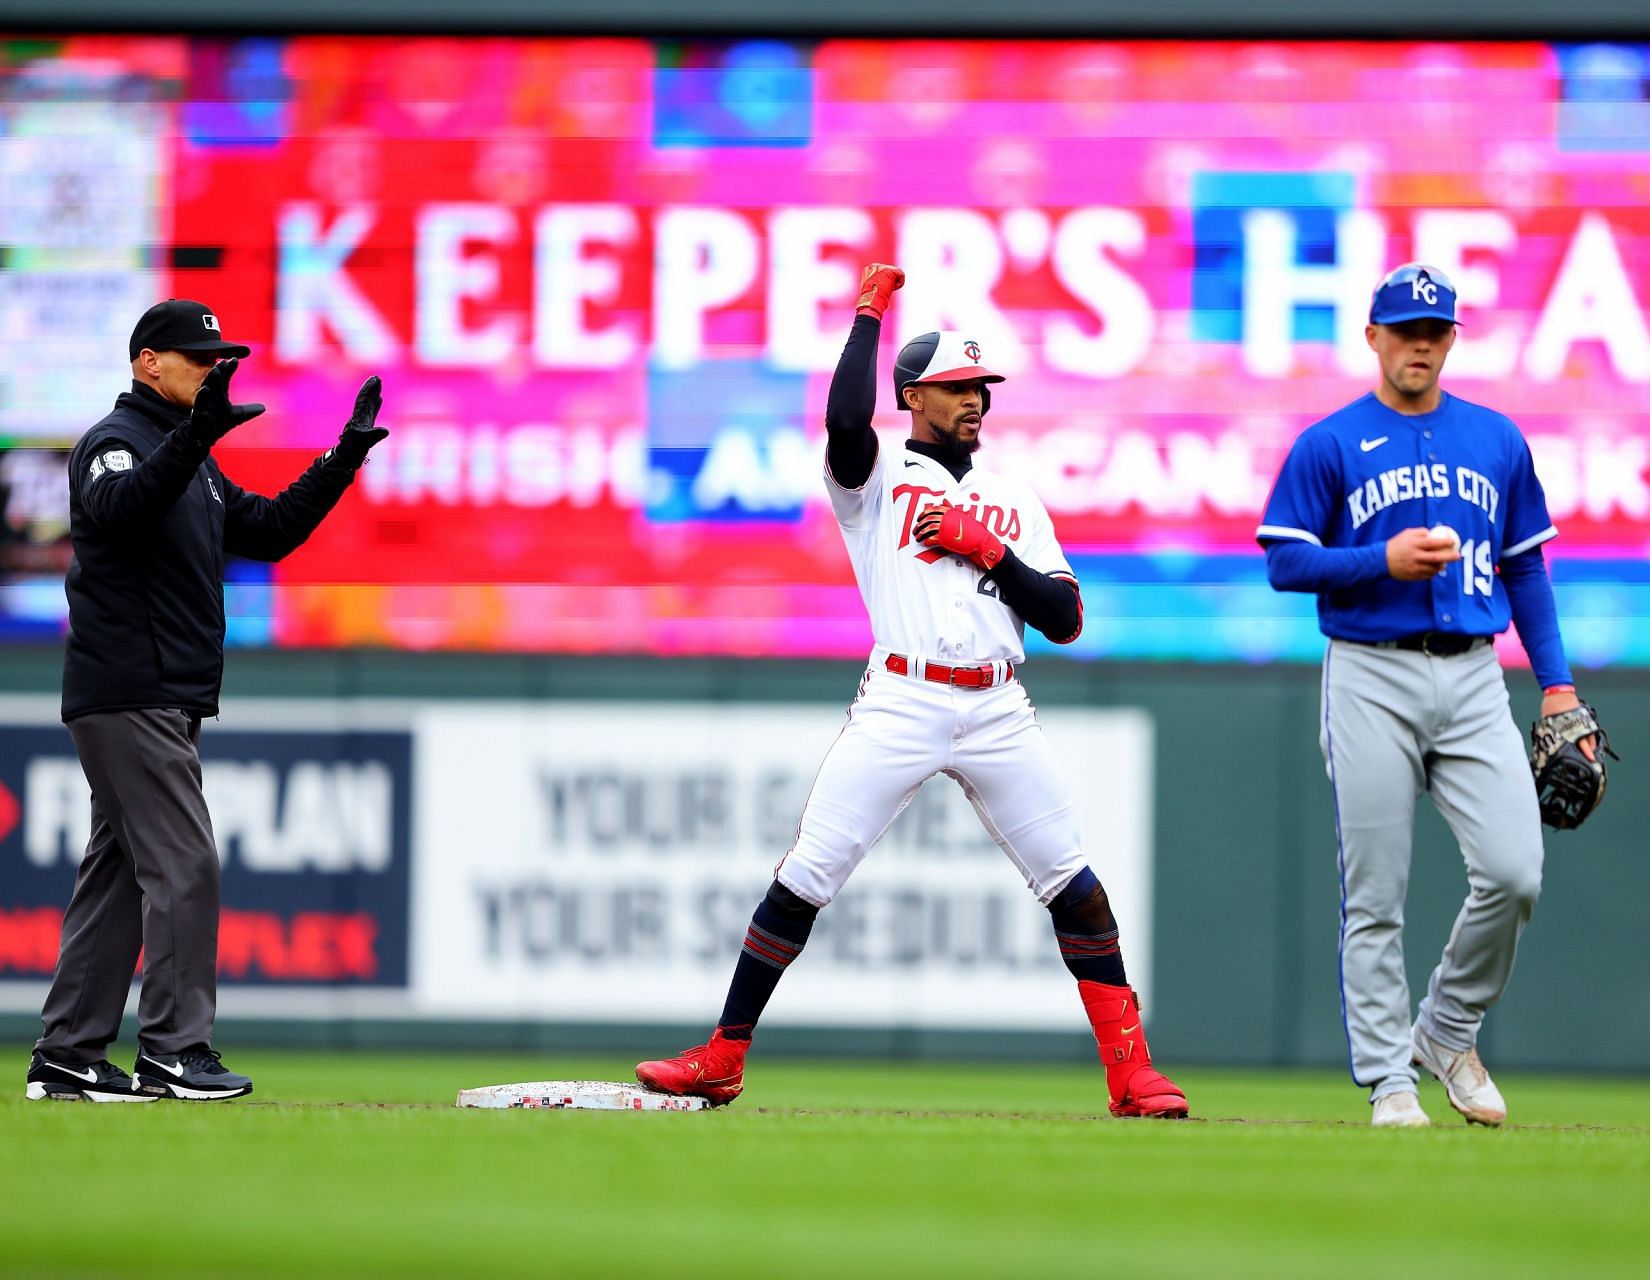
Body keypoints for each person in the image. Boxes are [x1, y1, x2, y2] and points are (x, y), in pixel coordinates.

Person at [635, 265, 1187, 1119]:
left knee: (1073, 882)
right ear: (915, 396)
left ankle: (1131, 1074)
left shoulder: (1013, 499)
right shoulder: (876, 479)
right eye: (957, 387)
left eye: (981, 387)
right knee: (808, 873)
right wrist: (867, 314)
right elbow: (844, 419)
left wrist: (991, 551)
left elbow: (1068, 617)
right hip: (903, 696)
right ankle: (723, 1056)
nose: (976, 400)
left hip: (999, 705)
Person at [1256, 264, 1598, 1128]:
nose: (1419, 342)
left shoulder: (1495, 439)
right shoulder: (1330, 443)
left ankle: (1446, 1027)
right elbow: (1286, 560)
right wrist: (1381, 560)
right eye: (1404, 327)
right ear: (1371, 336)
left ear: (1452, 339)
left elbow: (1526, 567)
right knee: (1377, 894)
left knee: (1516, 871)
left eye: (1434, 329)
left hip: (1477, 674)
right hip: (1371, 670)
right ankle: (1390, 1082)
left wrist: (1556, 687)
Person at [26, 299, 389, 1102]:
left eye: (219, 358)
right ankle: (174, 1052)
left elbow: (267, 530)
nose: (213, 369)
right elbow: (120, 508)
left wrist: (342, 458)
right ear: (146, 362)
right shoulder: (114, 444)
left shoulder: (185, 456)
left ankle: (68, 1056)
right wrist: (197, 437)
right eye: (197, 357)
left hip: (161, 693)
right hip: (130, 690)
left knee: (119, 875)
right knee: (185, 866)